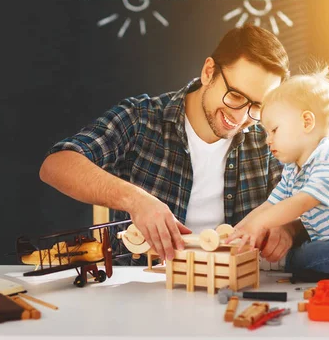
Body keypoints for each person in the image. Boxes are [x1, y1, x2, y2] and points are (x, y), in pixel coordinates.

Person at [39, 24, 299, 263]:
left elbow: (308, 196)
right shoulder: (141, 118)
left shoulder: (267, 137)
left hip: (234, 289)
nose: (241, 117)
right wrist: (136, 201)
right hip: (143, 289)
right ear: (209, 72)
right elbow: (57, 165)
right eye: (235, 96)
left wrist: (288, 227)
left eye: (257, 106)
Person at [225, 67, 329, 281]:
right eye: (267, 133)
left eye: (275, 130)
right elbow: (270, 204)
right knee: (308, 252)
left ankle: (296, 265)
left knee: (305, 257)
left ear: (307, 122)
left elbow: (300, 203)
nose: (268, 140)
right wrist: (237, 231)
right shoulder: (293, 168)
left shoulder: (328, 166)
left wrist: (259, 225)